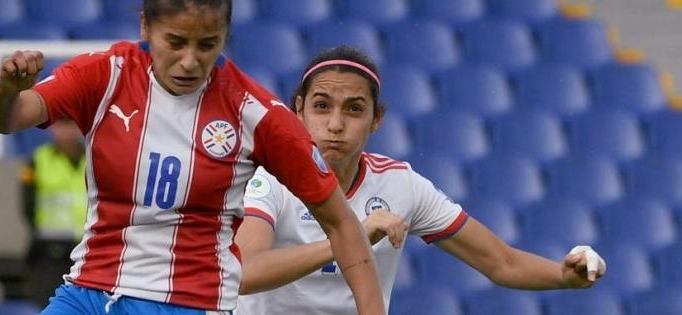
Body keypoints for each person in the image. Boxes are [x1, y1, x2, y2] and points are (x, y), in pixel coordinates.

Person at [0, 0, 385, 315]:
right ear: (145, 26)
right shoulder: (106, 75)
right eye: (175, 42)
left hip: (188, 305)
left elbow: (341, 222)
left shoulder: (255, 114)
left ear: (225, 37)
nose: (190, 60)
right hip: (87, 294)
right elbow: (7, 119)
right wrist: (7, 89)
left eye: (207, 45)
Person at [235, 45, 607, 315]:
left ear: (376, 120)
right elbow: (244, 273)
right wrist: (352, 236)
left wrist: (562, 276)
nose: (335, 124)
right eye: (321, 106)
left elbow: (501, 262)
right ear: (297, 110)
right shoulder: (269, 178)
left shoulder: (401, 185)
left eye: (354, 109)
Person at [19, 118, 87, 306]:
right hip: (49, 252)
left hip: (86, 249)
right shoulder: (38, 160)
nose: (65, 131)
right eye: (60, 125)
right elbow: (28, 205)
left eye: (70, 124)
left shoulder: (95, 157)